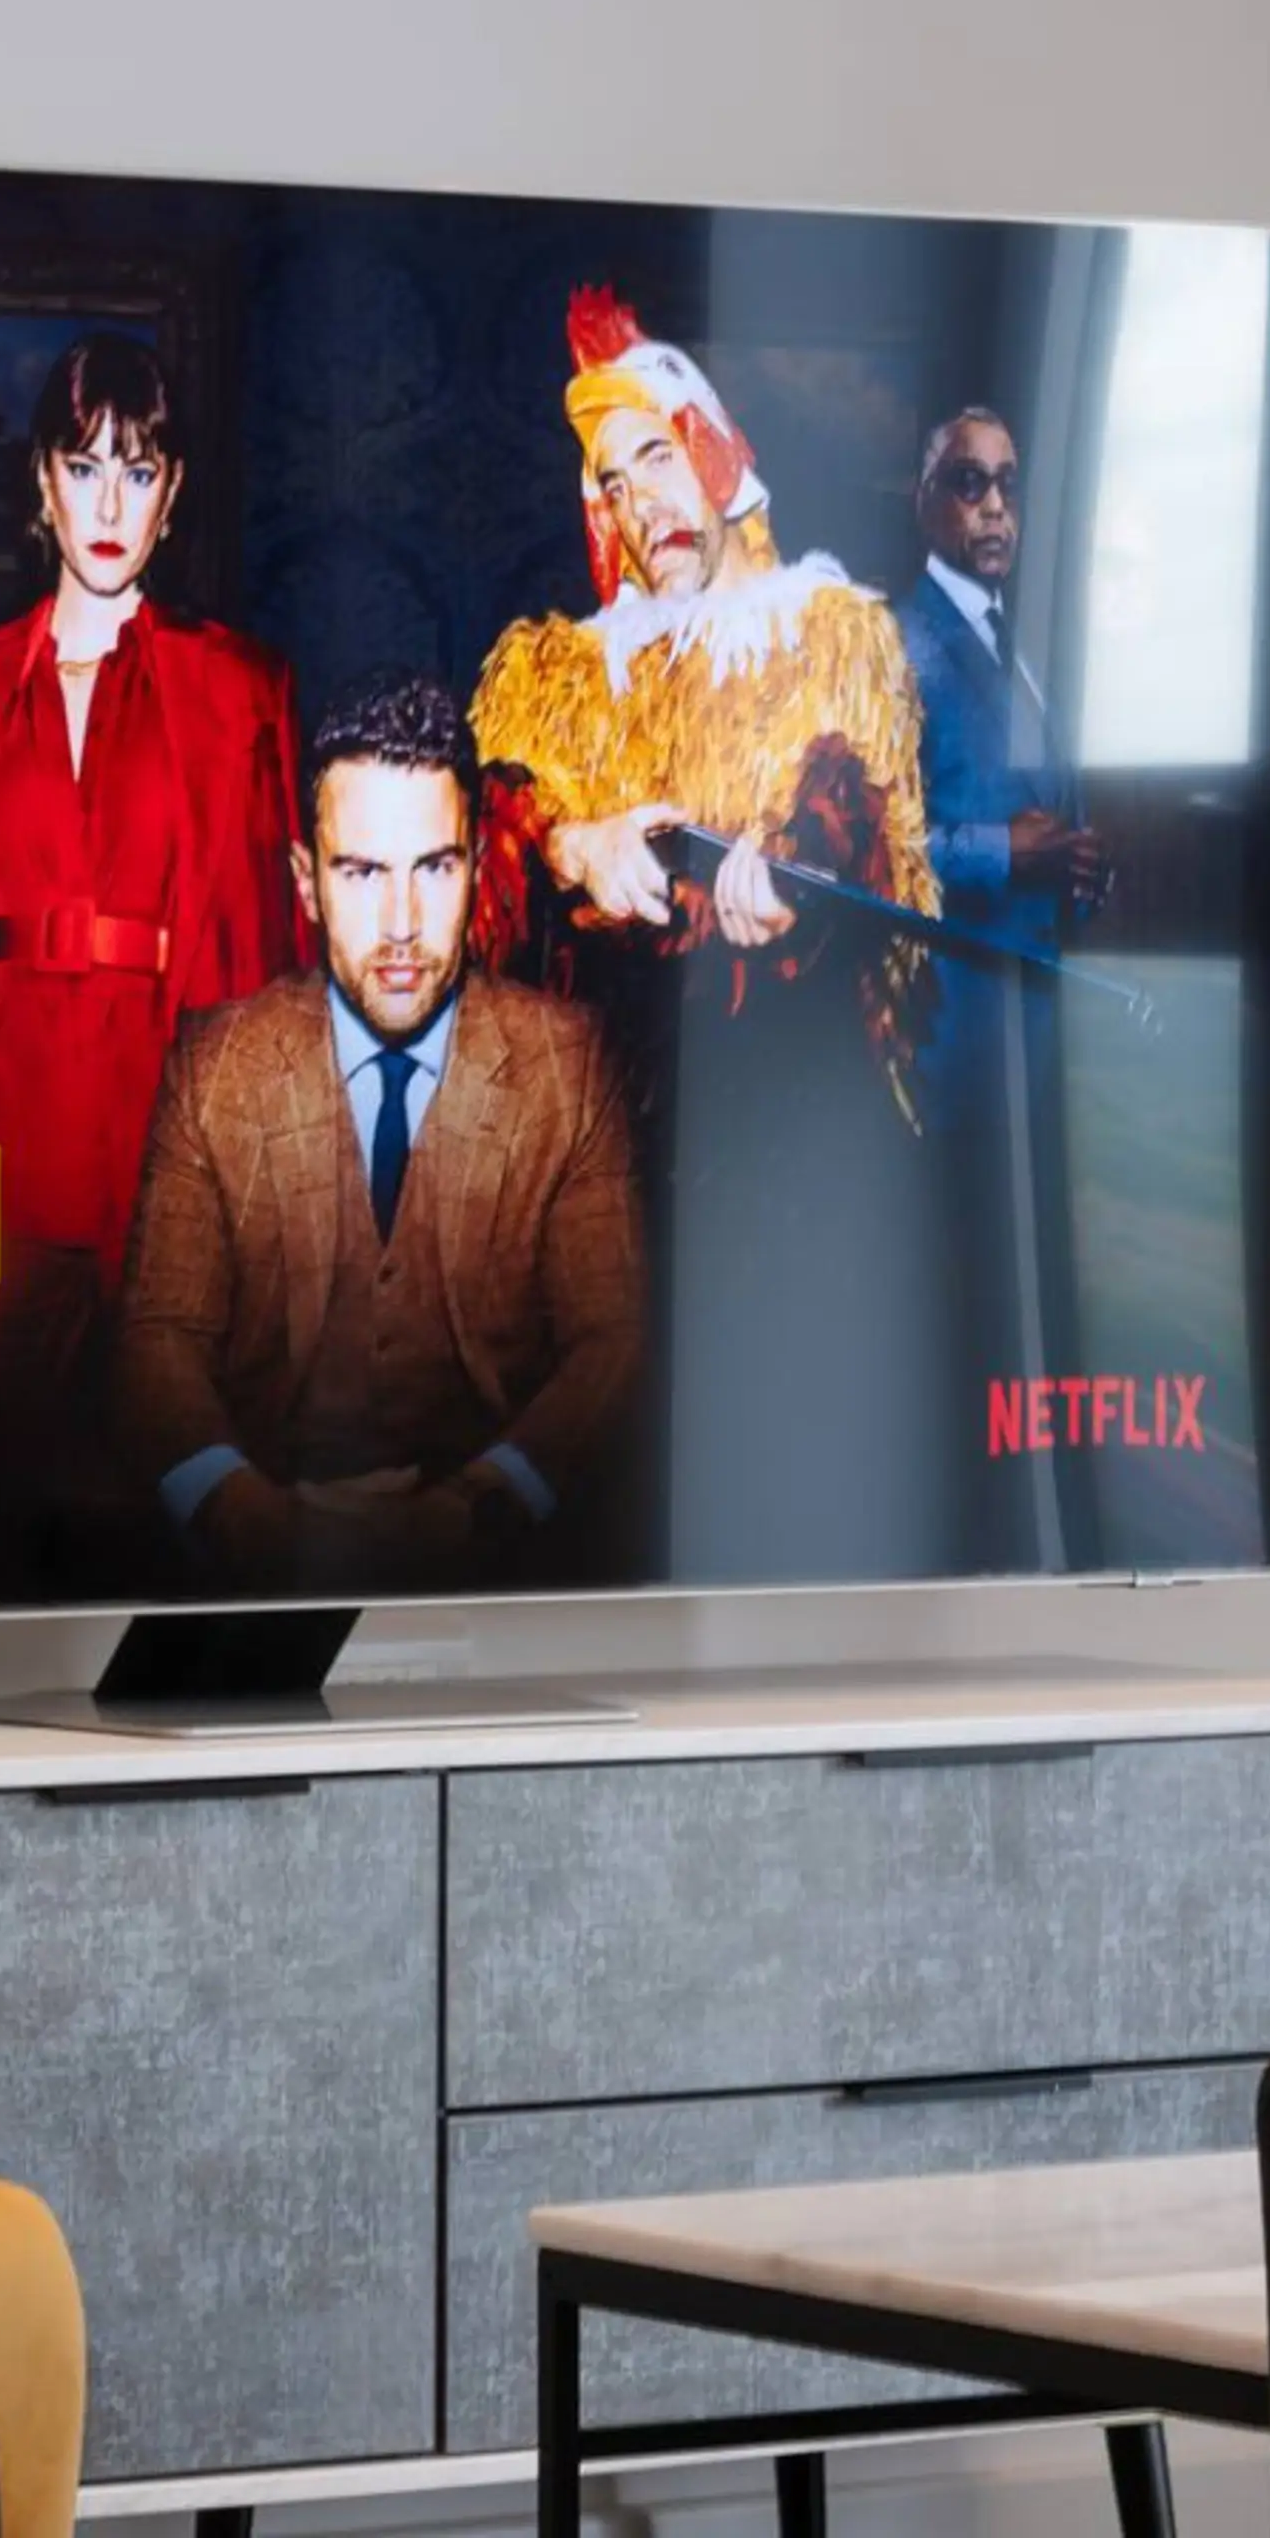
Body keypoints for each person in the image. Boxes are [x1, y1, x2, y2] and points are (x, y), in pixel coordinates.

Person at [468, 288, 963, 1585]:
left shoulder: (830, 632)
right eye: (610, 480)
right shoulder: (565, 672)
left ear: (714, 449)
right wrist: (572, 841)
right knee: (597, 1503)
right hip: (601, 1153)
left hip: (784, 1135)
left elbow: (860, 807)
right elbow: (492, 834)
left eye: (654, 455)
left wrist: (794, 863)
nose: (640, 500)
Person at [0, 334, 306, 1590]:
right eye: (85, 466)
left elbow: (270, 987)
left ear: (173, 496)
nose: (111, 503)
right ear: (42, 486)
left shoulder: (244, 693)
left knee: (175, 1567)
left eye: (140, 470)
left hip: (175, 1197)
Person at [116, 672, 644, 1593]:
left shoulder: (568, 1064)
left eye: (434, 869)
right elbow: (158, 1339)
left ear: (477, 869)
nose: (401, 926)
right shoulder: (216, 1064)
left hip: (502, 1596)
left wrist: (479, 1508)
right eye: (361, 874)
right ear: (306, 884)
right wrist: (251, 1520)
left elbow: (614, 1342)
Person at [900, 405, 1108, 1569]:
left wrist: (1079, 865)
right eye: (969, 484)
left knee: (1026, 1297)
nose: (994, 509)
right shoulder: (900, 643)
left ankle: (1016, 1525)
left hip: (1036, 1033)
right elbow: (862, 855)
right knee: (963, 1307)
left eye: (1008, 486)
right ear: (925, 501)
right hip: (956, 1042)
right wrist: (1000, 854)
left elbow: (1046, 812)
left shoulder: (1014, 643)